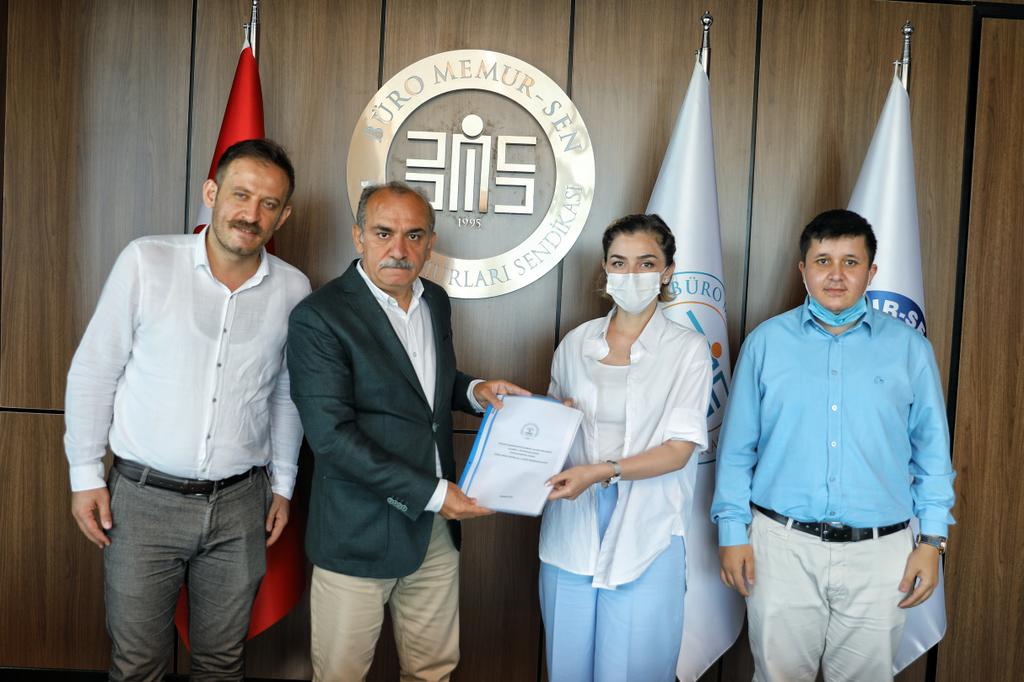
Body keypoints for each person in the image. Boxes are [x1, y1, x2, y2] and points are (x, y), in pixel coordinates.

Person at [64, 138, 310, 680]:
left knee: (222, 663)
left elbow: (285, 393)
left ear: (283, 215)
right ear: (211, 193)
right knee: (138, 664)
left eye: (269, 204)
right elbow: (95, 370)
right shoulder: (147, 261)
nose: (251, 214)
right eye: (240, 195)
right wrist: (84, 474)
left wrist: (284, 486)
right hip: (142, 502)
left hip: (241, 505)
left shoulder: (293, 288)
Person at [286, 181, 529, 682]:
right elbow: (331, 438)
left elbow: (423, 386)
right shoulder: (319, 316)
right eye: (383, 233)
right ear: (358, 236)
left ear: (430, 243)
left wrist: (474, 391)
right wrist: (436, 494)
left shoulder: (434, 299)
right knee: (340, 676)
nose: (399, 249)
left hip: (434, 533)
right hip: (358, 531)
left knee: (432, 671)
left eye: (414, 235)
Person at [712, 209, 956, 682]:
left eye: (851, 262)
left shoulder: (910, 349)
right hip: (781, 549)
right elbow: (737, 451)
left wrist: (931, 542)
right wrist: (731, 533)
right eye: (823, 261)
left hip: (881, 555)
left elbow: (932, 456)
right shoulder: (766, 344)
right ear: (803, 269)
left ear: (872, 272)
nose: (836, 275)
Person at [538, 213, 712, 682]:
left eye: (646, 263)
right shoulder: (575, 343)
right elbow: (553, 429)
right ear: (605, 268)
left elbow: (679, 450)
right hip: (572, 524)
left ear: (667, 271)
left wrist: (602, 471)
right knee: (567, 666)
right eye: (619, 262)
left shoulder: (688, 350)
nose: (631, 274)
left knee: (634, 669)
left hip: (647, 531)